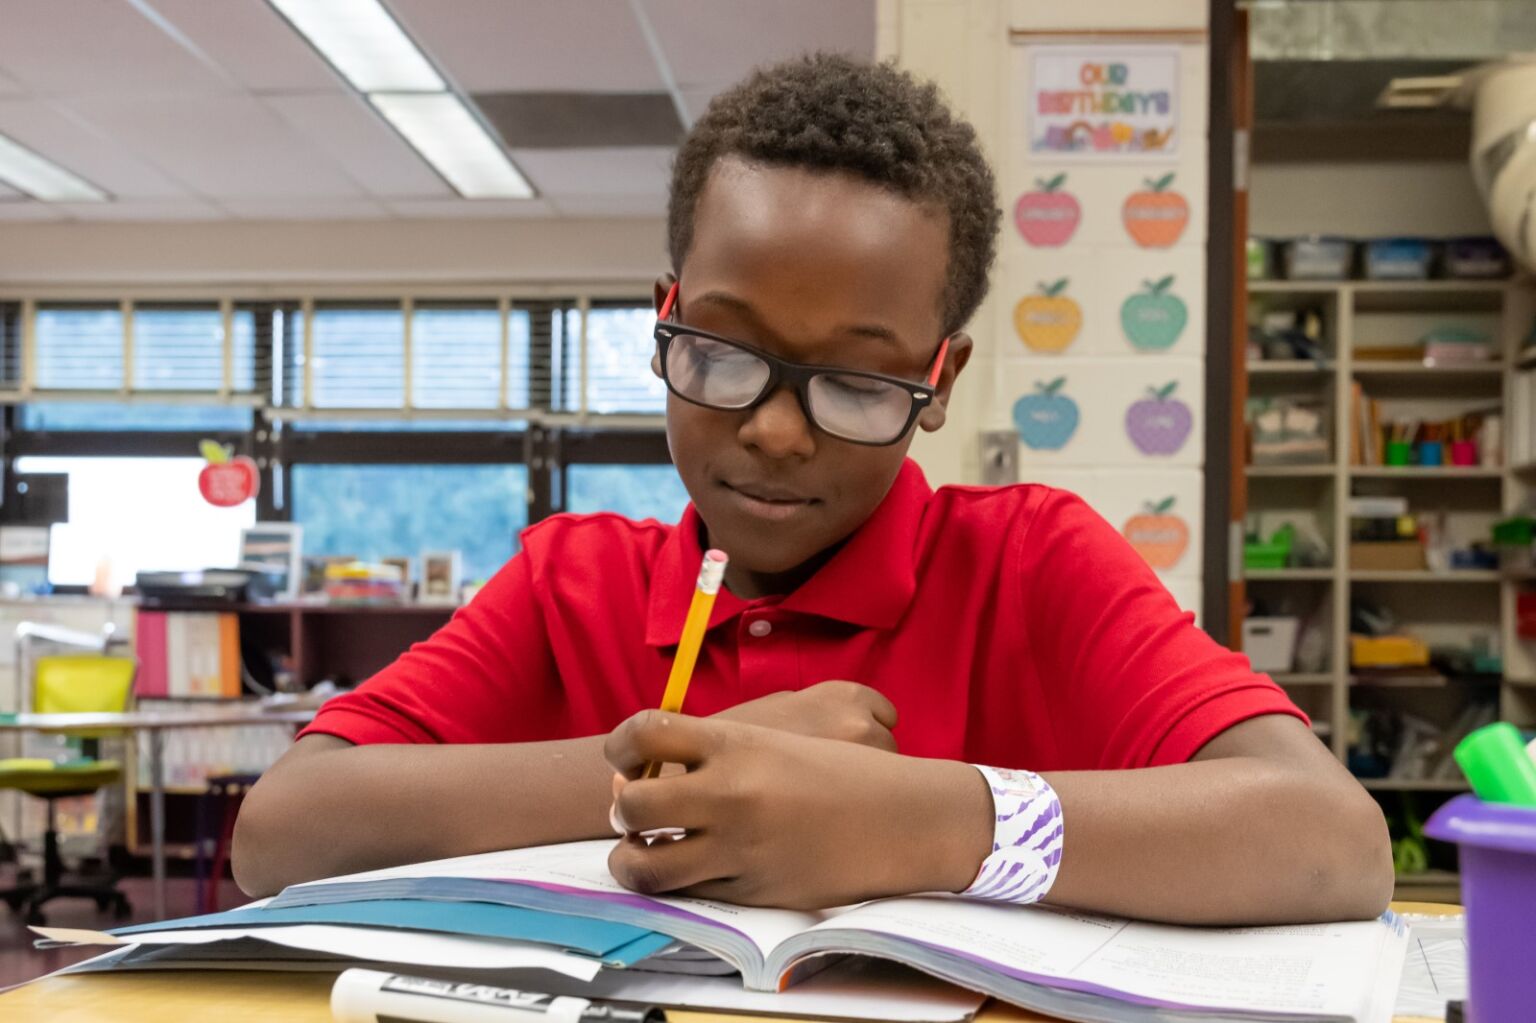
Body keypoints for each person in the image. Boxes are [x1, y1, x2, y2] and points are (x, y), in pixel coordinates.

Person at [233, 55, 1392, 923]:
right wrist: (693, 767)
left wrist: (931, 820)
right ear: (666, 316)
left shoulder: (1030, 563)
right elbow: (280, 833)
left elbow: (1331, 844)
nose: (776, 431)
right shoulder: (571, 580)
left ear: (940, 382)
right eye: (723, 355)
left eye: (854, 382)